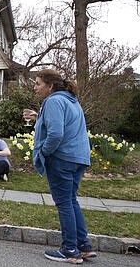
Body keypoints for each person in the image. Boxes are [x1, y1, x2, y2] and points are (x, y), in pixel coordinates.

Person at [24, 69, 96, 263]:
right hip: (78, 158)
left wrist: (45, 152)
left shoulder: (53, 101)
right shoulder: (71, 100)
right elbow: (62, 125)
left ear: (50, 86)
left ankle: (69, 250)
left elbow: (56, 134)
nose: (35, 87)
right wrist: (37, 117)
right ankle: (83, 246)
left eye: (38, 83)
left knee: (64, 203)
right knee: (71, 200)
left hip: (61, 159)